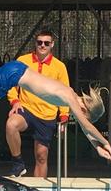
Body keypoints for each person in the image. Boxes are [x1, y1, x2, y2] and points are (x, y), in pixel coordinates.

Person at [0, 59, 111, 163]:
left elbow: (85, 128)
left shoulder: (70, 94)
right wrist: (105, 143)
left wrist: (97, 146)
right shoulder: (70, 97)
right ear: (85, 109)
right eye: (84, 116)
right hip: (15, 75)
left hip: (17, 69)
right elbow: (88, 127)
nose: (79, 118)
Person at [5, 30, 70, 178]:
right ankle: (18, 163)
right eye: (39, 42)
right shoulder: (23, 60)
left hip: (47, 114)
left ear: (52, 44)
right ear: (35, 43)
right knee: (11, 124)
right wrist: (14, 101)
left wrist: (64, 115)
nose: (42, 45)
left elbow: (64, 92)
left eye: (46, 43)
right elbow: (11, 83)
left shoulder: (59, 67)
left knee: (41, 155)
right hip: (26, 108)